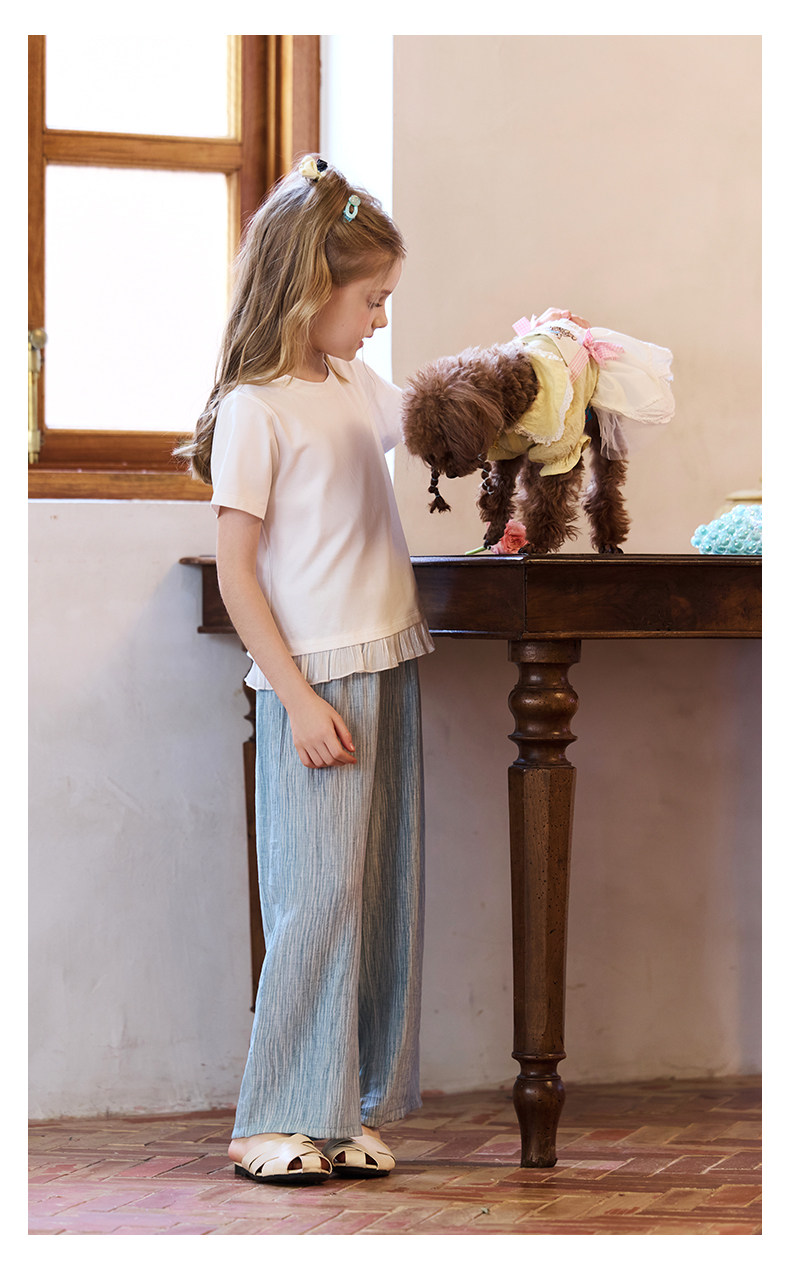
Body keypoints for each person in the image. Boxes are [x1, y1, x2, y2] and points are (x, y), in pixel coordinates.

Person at [177, 156, 434, 1185]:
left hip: (390, 660)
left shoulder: (352, 384)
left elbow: (436, 421)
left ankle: (340, 1111)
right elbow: (239, 575)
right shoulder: (259, 407)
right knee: (315, 901)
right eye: (371, 299)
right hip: (316, 683)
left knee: (378, 899)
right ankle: (269, 1117)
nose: (379, 318)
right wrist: (295, 699)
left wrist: (535, 370)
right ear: (311, 287)